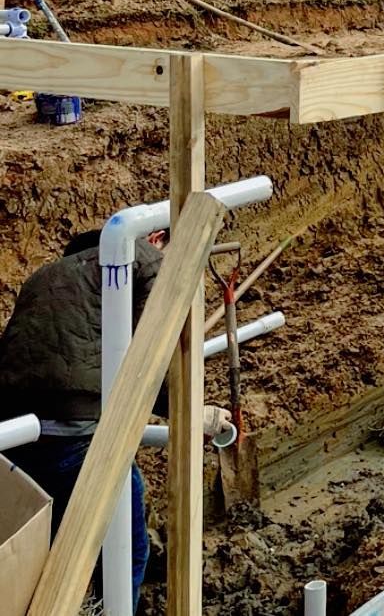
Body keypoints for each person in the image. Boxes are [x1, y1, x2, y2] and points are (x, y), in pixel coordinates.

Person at [0, 228, 231, 612]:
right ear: (157, 236)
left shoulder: (46, 275)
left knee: (45, 558)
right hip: (76, 436)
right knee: (126, 553)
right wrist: (197, 414)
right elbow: (149, 357)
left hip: (15, 437)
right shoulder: (146, 257)